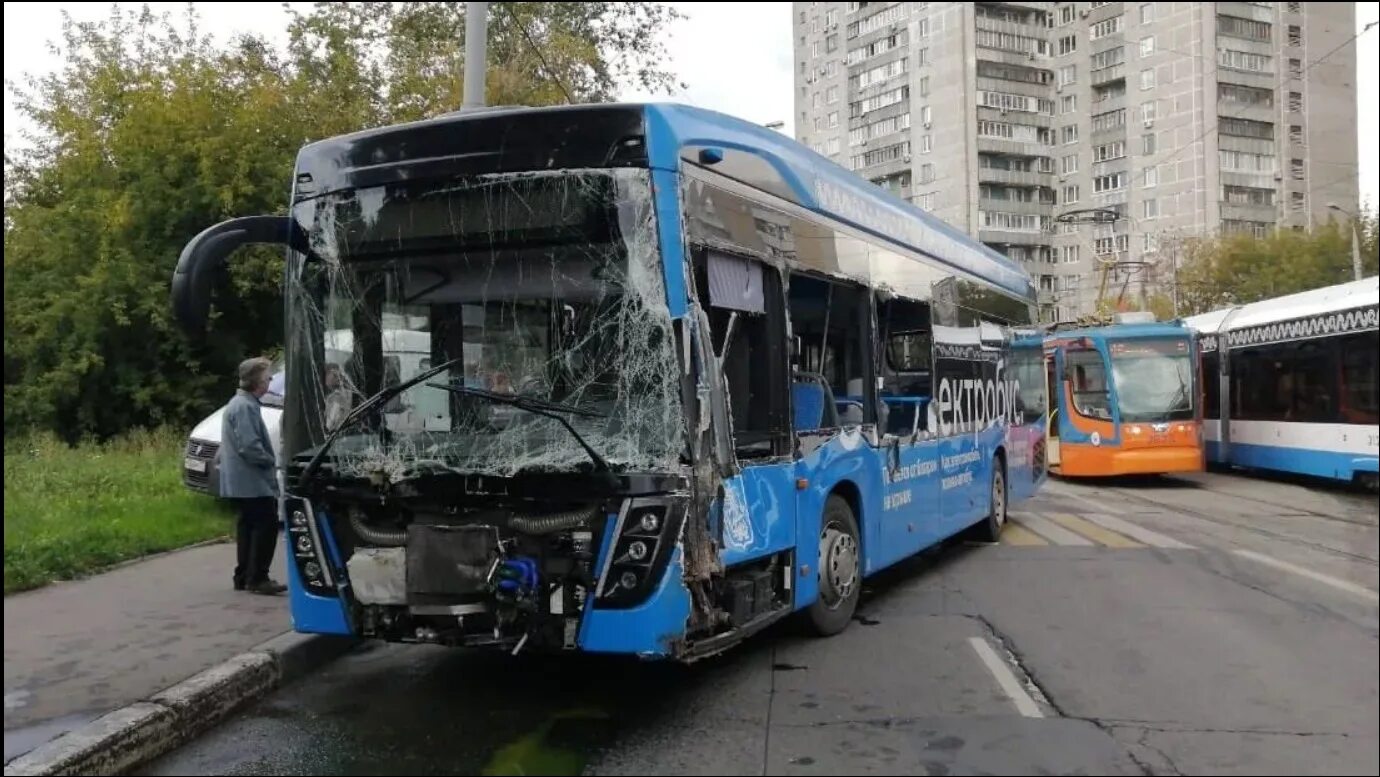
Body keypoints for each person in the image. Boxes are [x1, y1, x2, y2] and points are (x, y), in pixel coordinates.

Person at [221, 357, 286, 595]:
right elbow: (249, 446)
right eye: (268, 377)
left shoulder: (240, 403)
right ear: (258, 381)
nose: (270, 381)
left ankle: (244, 575)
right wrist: (271, 461)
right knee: (265, 526)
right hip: (251, 481)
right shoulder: (246, 407)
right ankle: (258, 577)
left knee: (248, 527)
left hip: (241, 481)